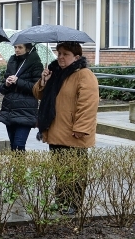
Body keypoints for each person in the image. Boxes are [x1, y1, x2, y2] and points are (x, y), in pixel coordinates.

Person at [32, 41, 98, 215]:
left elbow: (88, 104)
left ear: (76, 57)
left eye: (65, 54)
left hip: (73, 134)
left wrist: (81, 129)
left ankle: (74, 204)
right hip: (56, 130)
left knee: (75, 172)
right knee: (60, 171)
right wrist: (43, 81)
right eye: (59, 53)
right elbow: (38, 94)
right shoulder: (55, 73)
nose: (60, 57)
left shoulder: (84, 74)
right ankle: (62, 201)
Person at [0, 43, 42, 151]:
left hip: (25, 110)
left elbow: (36, 88)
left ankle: (20, 167)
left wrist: (18, 81)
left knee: (19, 145)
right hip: (10, 109)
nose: (17, 50)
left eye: (20, 47)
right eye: (15, 47)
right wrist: (6, 84)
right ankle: (16, 167)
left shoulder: (36, 64)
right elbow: (3, 89)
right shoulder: (12, 61)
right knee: (13, 146)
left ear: (27, 49)